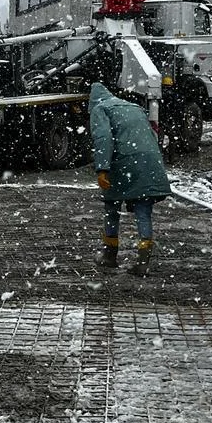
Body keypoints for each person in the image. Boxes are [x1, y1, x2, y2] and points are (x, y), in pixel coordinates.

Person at [88, 82, 171, 277]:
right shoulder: (133, 107)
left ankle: (110, 255)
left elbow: (103, 138)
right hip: (149, 160)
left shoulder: (100, 109)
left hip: (124, 162)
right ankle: (143, 261)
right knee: (143, 209)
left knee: (112, 207)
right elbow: (151, 134)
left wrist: (102, 169)